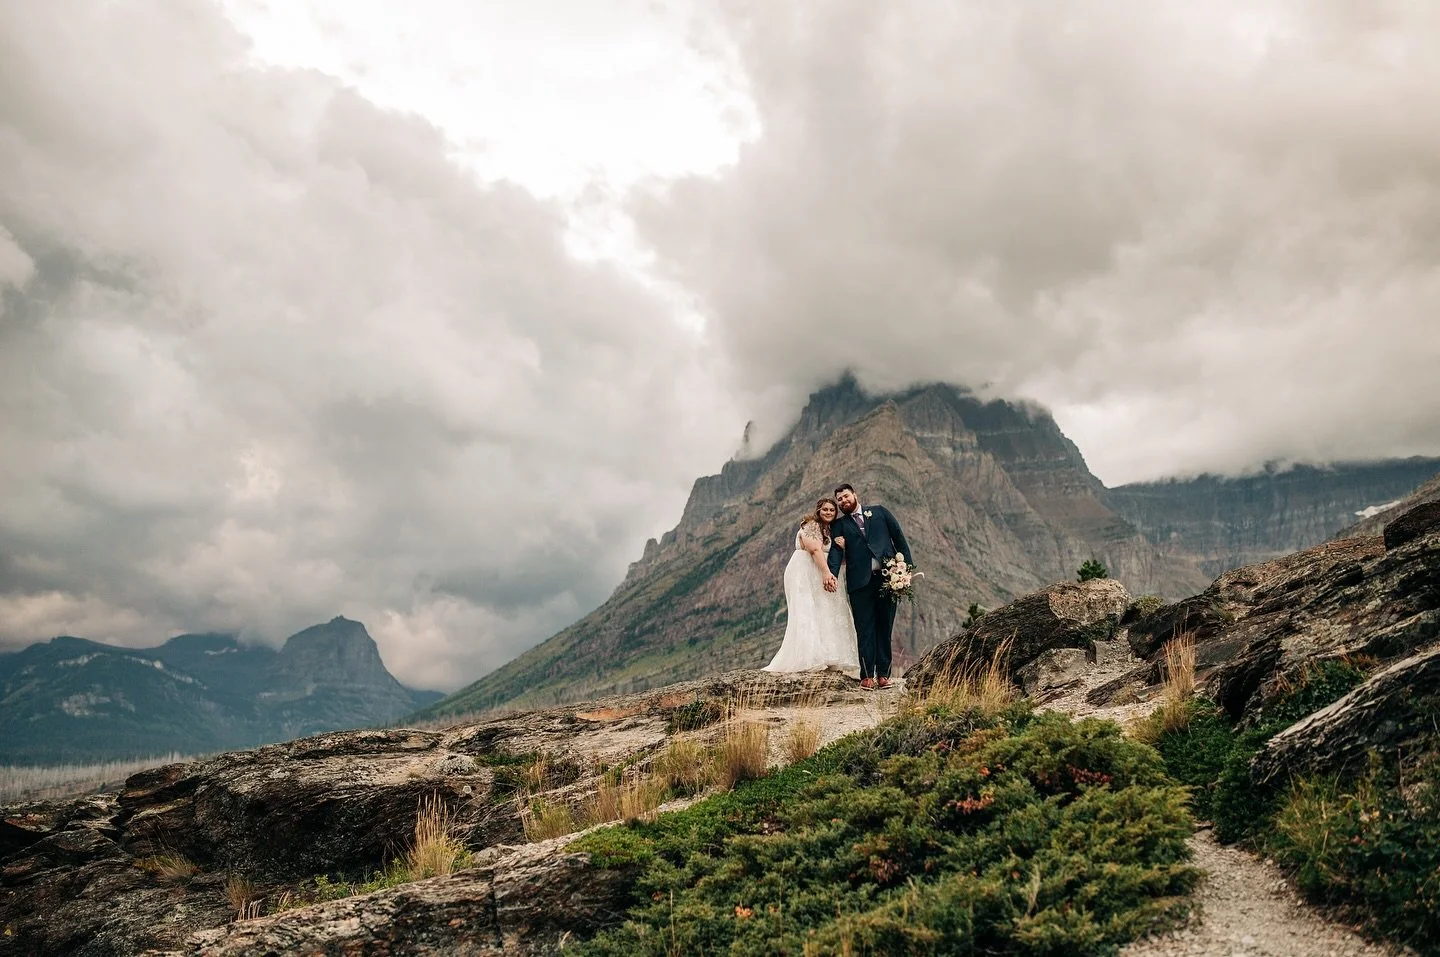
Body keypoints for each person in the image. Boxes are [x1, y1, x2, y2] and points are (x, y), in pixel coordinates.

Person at [826, 483, 912, 689]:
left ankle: (883, 675)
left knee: (885, 627)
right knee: (864, 629)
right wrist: (831, 574)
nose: (843, 501)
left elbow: (899, 538)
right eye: (839, 500)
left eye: (846, 496)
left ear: (855, 495)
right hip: (859, 584)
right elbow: (836, 552)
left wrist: (906, 569)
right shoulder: (839, 525)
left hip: (888, 580)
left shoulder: (880, 512)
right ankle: (866, 676)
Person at [763, 497, 861, 676]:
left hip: (823, 572)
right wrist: (826, 573)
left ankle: (829, 655)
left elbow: (838, 558)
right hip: (805, 571)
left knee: (826, 611)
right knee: (807, 610)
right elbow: (815, 549)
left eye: (832, 510)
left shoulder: (831, 530)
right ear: (818, 510)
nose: (829, 512)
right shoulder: (811, 526)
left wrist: (844, 548)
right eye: (825, 509)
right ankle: (807, 657)